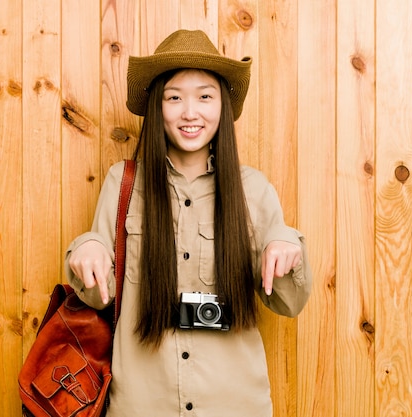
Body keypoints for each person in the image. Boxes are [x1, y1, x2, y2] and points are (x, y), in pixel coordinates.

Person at [65, 29, 312, 417]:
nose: (190, 112)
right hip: (142, 405)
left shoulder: (254, 190)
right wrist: (88, 248)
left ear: (222, 107)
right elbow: (99, 296)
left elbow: (288, 302)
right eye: (174, 97)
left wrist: (286, 247)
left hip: (234, 405)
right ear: (157, 106)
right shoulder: (123, 183)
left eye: (205, 96)